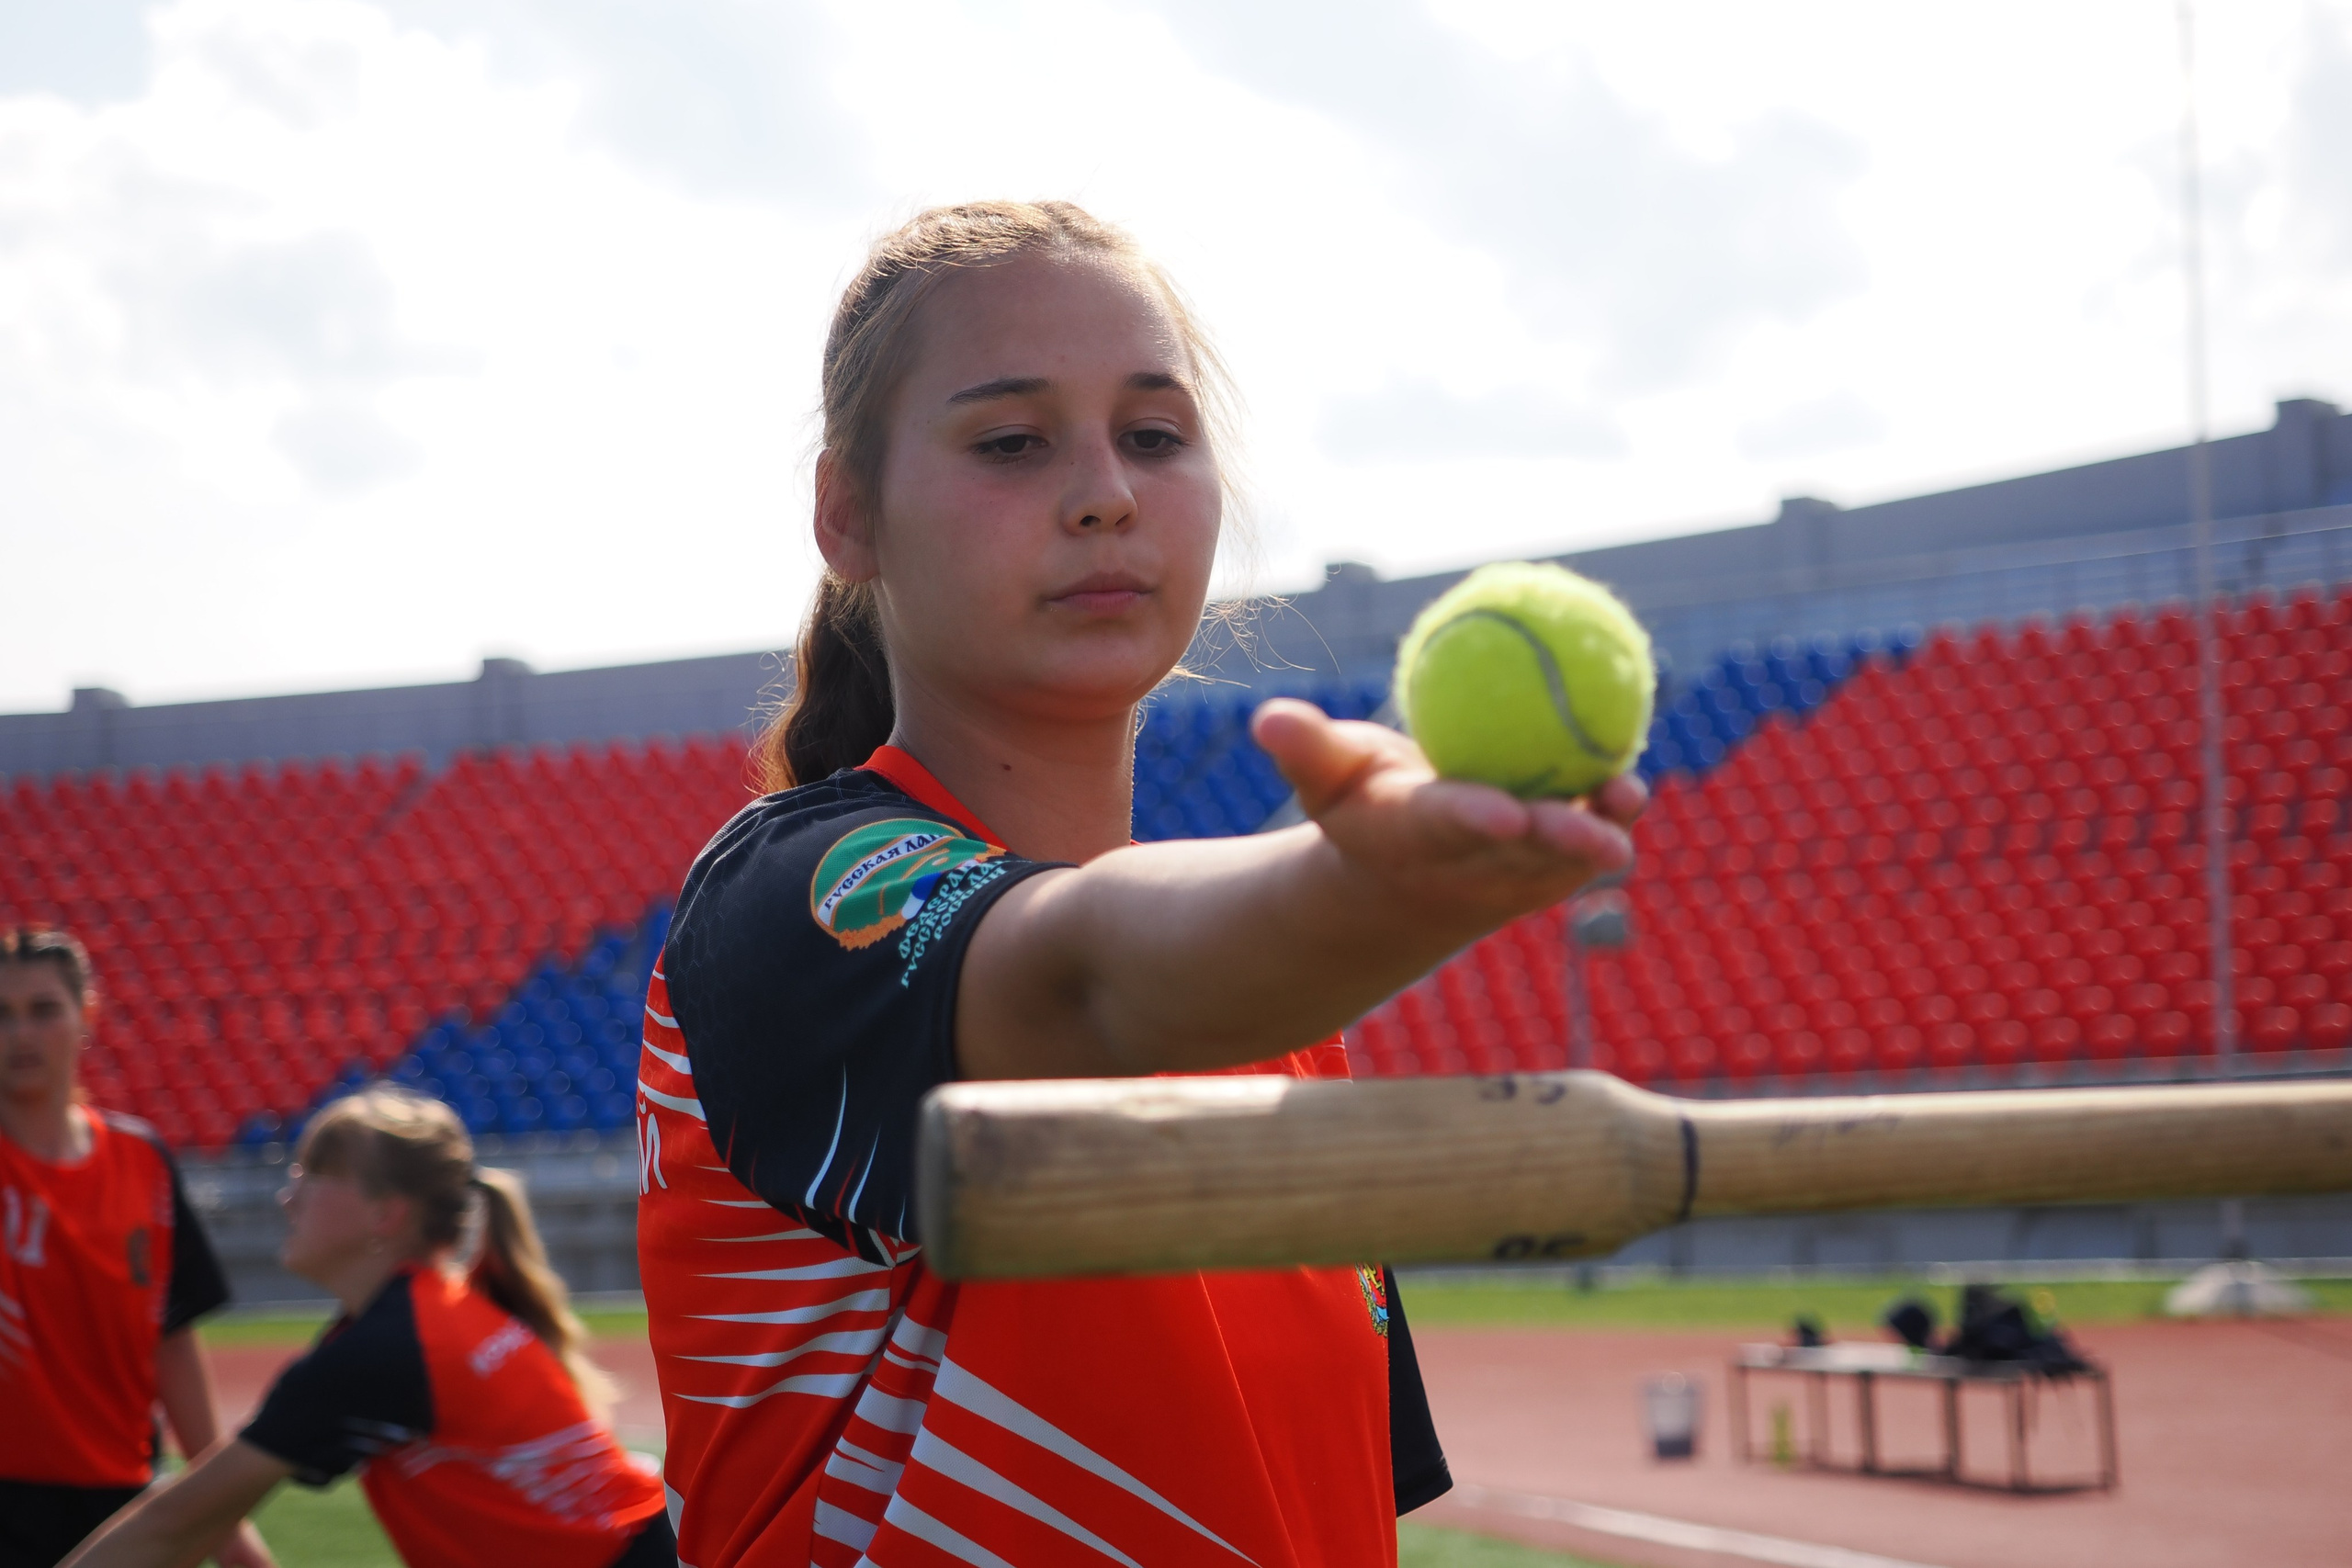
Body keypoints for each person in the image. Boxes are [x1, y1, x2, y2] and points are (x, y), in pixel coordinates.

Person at [638, 199, 1645, 1567]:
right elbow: (1088, 983)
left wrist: (1353, 908)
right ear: (846, 514)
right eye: (1011, 440)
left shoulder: (1276, 1004)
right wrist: (1387, 890)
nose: (1107, 487)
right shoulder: (787, 895)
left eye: (1155, 433)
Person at [62, 1084, 671, 1568]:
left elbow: (175, 1521)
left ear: (386, 1212)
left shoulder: (386, 1348)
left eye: (312, 1174)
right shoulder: (434, 1312)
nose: (287, 1196)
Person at [0, 929, 271, 1568]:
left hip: (124, 1500)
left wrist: (221, 1512)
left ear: (85, 1014)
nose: (21, 1034)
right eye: (1, 1014)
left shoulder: (141, 1160)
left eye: (43, 1009)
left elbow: (172, 1341)